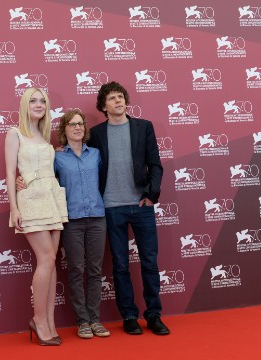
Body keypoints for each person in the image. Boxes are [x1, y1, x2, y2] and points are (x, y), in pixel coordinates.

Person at [87, 81, 170, 335]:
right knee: (120, 265)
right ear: (103, 106)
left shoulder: (144, 127)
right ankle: (129, 316)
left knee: (150, 263)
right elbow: (83, 157)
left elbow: (155, 164)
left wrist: (151, 195)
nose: (118, 101)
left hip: (141, 205)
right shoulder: (96, 133)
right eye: (112, 98)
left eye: (121, 97)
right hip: (111, 207)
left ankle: (154, 314)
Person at [5, 87, 68, 346]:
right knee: (46, 258)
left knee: (51, 262)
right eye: (33, 100)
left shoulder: (44, 136)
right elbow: (10, 173)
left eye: (43, 101)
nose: (39, 104)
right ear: (24, 104)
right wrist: (14, 207)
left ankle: (50, 322)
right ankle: (38, 320)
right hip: (30, 201)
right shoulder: (14, 133)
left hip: (52, 198)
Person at [54, 110, 110, 339]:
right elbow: (45, 183)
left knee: (95, 271)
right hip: (72, 221)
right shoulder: (56, 157)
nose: (77, 127)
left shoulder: (96, 154)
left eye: (81, 124)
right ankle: (82, 321)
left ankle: (95, 320)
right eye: (72, 124)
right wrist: (20, 180)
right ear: (64, 129)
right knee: (76, 270)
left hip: (98, 217)